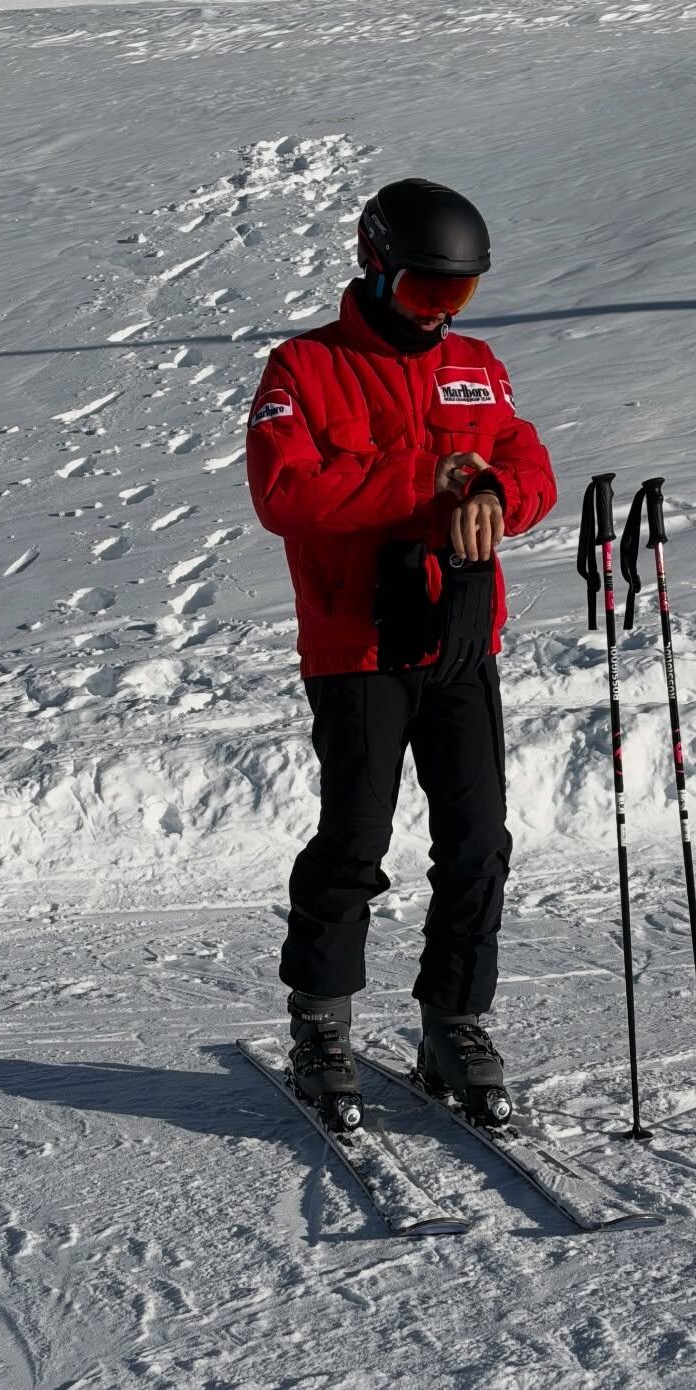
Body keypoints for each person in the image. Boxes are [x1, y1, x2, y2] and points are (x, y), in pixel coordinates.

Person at [245, 178, 557, 1127]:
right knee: (355, 841)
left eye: (456, 298)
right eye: (426, 294)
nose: (441, 316)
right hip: (358, 644)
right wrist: (424, 479)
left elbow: (531, 465)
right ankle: (322, 1024)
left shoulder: (477, 365)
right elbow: (286, 495)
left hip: (462, 637)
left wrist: (498, 494)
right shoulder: (303, 367)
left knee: (478, 844)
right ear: (375, 269)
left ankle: (453, 1021)